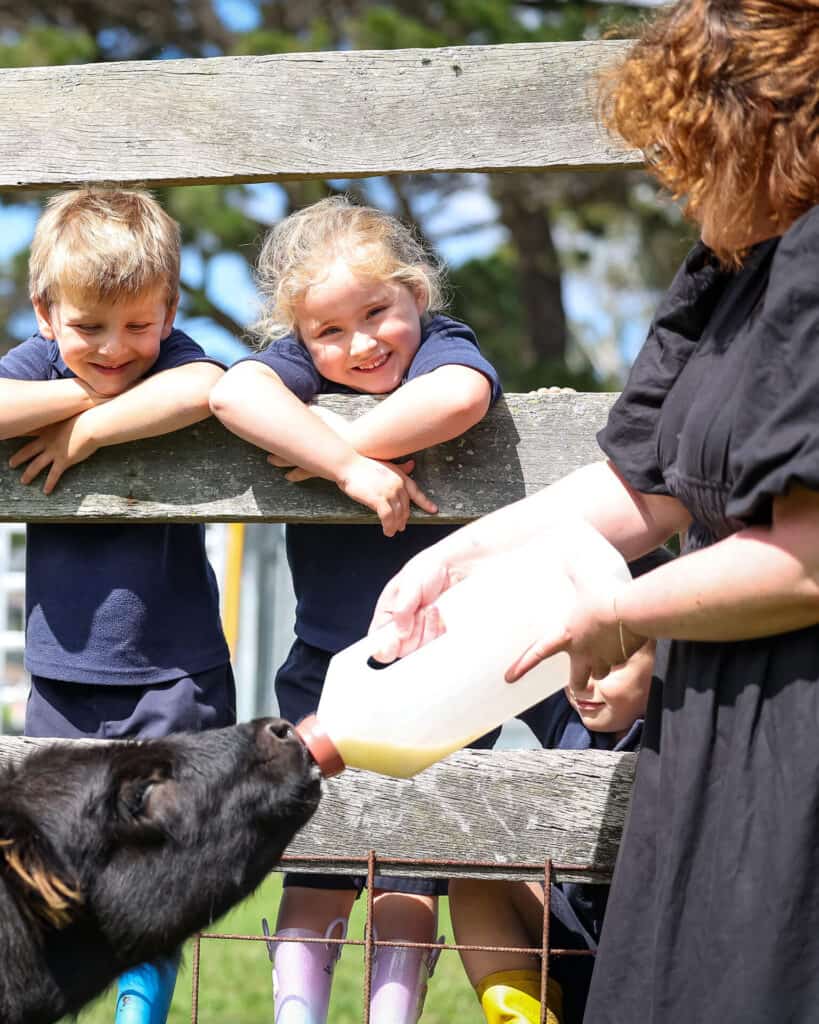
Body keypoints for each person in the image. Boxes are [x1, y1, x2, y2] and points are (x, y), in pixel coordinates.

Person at [368, 0, 819, 1018]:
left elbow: (806, 557)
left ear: (760, 129)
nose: (669, 173)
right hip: (711, 737)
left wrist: (615, 614)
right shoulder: (729, 265)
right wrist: (457, 557)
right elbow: (642, 482)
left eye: (689, 146)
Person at [209, 194, 502, 1024]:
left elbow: (459, 399)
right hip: (327, 664)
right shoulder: (306, 368)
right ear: (300, 336)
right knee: (319, 853)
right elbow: (235, 397)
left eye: (377, 313)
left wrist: (329, 447)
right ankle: (296, 1013)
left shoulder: (443, 348)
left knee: (413, 856)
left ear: (416, 293)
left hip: (444, 670)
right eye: (327, 333)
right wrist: (346, 467)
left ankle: (392, 1014)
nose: (359, 344)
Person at [0, 187, 234, 1024]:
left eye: (139, 325)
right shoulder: (38, 367)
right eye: (89, 327)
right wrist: (89, 400)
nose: (114, 348)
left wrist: (91, 435)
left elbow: (208, 385)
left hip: (174, 670)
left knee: (166, 850)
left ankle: (142, 1001)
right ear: (45, 313)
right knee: (56, 853)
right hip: (61, 676)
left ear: (169, 309)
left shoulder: (178, 361)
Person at [450, 549, 672, 1024]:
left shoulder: (683, 728)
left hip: (661, 961)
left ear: (668, 657)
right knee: (475, 873)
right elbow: (504, 643)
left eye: (609, 664)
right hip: (573, 943)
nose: (583, 681)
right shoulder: (566, 713)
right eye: (574, 656)